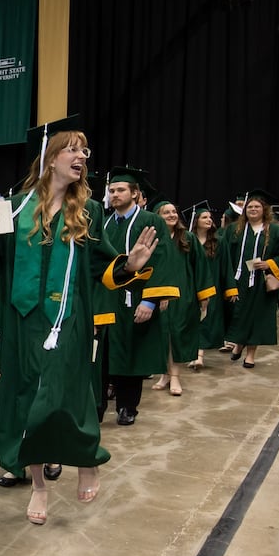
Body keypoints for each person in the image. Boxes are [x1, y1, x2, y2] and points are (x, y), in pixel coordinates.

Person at [0, 120, 158, 525]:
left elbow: (103, 267)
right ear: (50, 157)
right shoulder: (14, 207)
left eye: (85, 152)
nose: (81, 158)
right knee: (24, 401)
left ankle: (86, 459)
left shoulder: (89, 211)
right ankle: (39, 487)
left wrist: (129, 264)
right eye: (73, 150)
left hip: (68, 319)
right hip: (21, 322)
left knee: (66, 395)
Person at [99, 166, 180, 426]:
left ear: (135, 193)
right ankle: (98, 405)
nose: (114, 194)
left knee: (132, 353)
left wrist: (150, 301)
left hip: (135, 299)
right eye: (111, 190)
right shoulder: (104, 222)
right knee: (104, 354)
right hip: (108, 299)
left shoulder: (150, 221)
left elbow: (162, 260)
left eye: (120, 190)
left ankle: (127, 406)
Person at [219, 190, 279, 368]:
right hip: (237, 280)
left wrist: (270, 263)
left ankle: (250, 355)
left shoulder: (277, 231)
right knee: (237, 314)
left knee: (257, 316)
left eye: (257, 206)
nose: (253, 209)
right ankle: (239, 344)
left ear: (265, 210)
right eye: (250, 207)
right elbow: (223, 252)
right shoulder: (234, 229)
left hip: (260, 283)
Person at [149, 198, 215, 396]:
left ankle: (175, 376)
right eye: (166, 212)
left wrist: (204, 295)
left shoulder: (187, 238)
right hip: (157, 295)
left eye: (173, 212)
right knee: (161, 336)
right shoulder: (152, 238)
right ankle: (165, 374)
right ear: (157, 217)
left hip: (183, 294)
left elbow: (201, 267)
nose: (171, 215)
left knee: (177, 334)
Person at [188, 206, 223, 368]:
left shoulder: (218, 242)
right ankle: (191, 353)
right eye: (204, 217)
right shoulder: (187, 240)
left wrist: (230, 289)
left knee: (205, 320)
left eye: (210, 217)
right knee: (191, 320)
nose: (209, 220)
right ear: (196, 221)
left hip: (211, 286)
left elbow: (226, 266)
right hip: (190, 286)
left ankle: (199, 355)